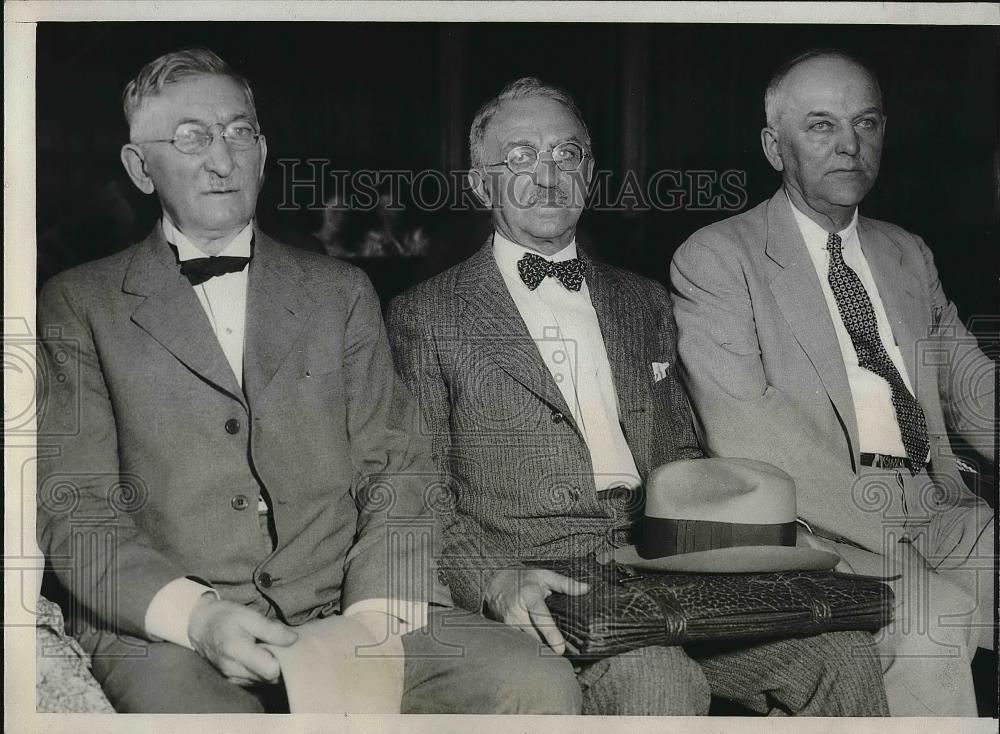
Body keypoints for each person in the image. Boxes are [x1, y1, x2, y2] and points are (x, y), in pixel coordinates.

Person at [35, 49, 581, 715]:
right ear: (139, 168)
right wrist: (197, 617)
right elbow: (77, 511)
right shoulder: (76, 304)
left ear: (263, 155)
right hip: (171, 632)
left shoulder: (340, 292)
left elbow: (399, 467)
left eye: (240, 133)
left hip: (345, 603)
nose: (221, 159)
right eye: (190, 138)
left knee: (537, 686)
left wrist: (375, 615)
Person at [387, 76, 888, 716]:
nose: (548, 176)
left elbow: (681, 453)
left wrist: (772, 552)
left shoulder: (644, 300)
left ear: (590, 174)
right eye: (520, 158)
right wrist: (494, 578)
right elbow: (417, 488)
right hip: (543, 580)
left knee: (842, 657)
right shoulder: (424, 317)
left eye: (567, 155)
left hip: (664, 568)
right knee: (660, 681)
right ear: (481, 184)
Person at [669, 49, 995, 716]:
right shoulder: (716, 258)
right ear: (773, 146)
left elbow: (968, 383)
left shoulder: (907, 250)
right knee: (934, 627)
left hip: (938, 506)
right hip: (823, 529)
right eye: (820, 126)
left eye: (866, 123)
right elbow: (748, 432)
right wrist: (889, 520)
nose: (849, 146)